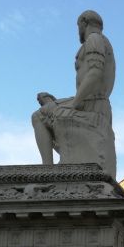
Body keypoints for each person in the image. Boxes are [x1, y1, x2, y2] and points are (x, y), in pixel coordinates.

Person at [31, 10, 116, 174]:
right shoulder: (101, 41)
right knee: (47, 107)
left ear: (84, 23)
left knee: (39, 116)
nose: (78, 31)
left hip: (91, 104)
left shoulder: (94, 39)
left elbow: (95, 72)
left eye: (78, 26)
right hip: (90, 102)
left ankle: (47, 170)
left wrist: (74, 103)